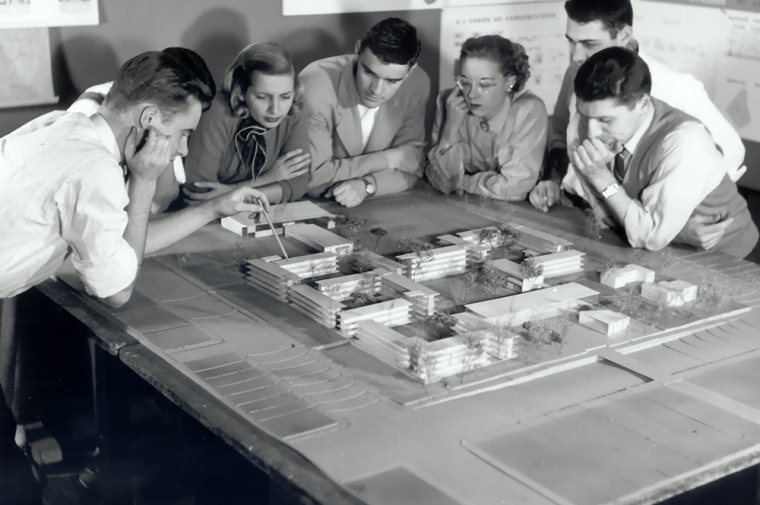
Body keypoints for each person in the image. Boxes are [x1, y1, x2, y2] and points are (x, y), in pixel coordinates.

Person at [529, 0, 746, 247]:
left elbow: (731, 152)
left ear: (624, 35)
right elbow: (561, 129)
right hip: (611, 217)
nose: (576, 55)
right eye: (571, 41)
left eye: (589, 43)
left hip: (681, 235)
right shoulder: (579, 71)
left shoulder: (674, 86)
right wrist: (553, 178)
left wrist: (676, 212)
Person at [566, 47, 758, 258]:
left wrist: (601, 178)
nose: (592, 132)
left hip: (726, 255)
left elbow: (650, 236)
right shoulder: (580, 125)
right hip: (657, 250)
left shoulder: (686, 141)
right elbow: (607, 216)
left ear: (643, 105)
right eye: (584, 115)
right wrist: (677, 234)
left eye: (606, 120)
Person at [68, 46, 217, 215]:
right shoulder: (91, 115)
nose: (184, 149)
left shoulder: (158, 122)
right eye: (183, 132)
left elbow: (164, 199)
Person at [300, 17, 430, 208]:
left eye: (392, 81)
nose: (376, 90)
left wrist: (367, 185)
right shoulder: (316, 84)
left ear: (410, 72)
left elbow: (412, 166)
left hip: (380, 206)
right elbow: (314, 179)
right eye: (369, 73)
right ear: (357, 50)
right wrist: (389, 159)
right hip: (315, 208)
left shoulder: (417, 84)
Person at [183, 42, 311, 206]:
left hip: (255, 212)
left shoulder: (294, 108)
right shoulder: (218, 112)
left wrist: (229, 193)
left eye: (285, 96)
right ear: (241, 92)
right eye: (263, 97)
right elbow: (198, 195)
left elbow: (299, 184)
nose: (276, 109)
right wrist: (270, 178)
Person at [426, 35, 547, 200]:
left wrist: (461, 182)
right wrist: (451, 130)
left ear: (509, 82)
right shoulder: (448, 104)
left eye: (484, 84)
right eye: (465, 82)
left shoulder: (528, 110)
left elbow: (514, 188)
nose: (471, 94)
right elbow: (441, 183)